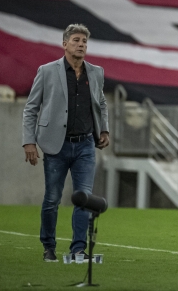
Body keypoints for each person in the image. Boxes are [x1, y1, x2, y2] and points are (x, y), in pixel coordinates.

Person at [22, 24, 110, 262]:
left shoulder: (96, 72)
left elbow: (101, 103)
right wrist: (29, 142)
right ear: (64, 44)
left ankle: (78, 250)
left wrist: (104, 129)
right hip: (55, 145)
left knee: (83, 197)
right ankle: (48, 247)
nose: (81, 44)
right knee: (52, 199)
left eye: (84, 41)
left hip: (85, 146)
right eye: (76, 40)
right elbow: (31, 108)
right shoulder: (47, 71)